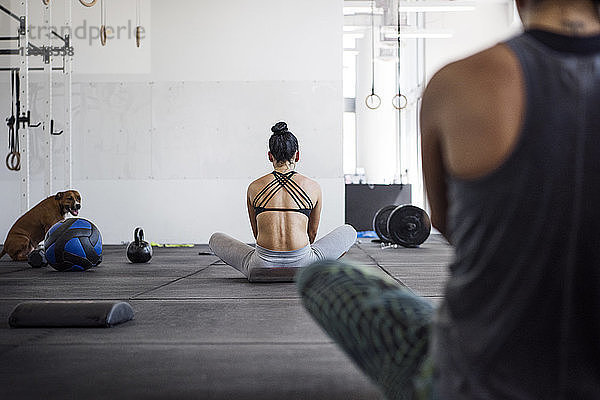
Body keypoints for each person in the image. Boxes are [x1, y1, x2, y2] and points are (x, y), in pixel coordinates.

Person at [297, 0, 600, 398]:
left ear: (521, 1)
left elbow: (446, 223)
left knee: (321, 275)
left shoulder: (457, 80)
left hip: (471, 381)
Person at [209, 122, 357, 282]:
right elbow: (312, 234)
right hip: (304, 264)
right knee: (349, 231)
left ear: (270, 156)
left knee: (215, 238)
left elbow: (257, 233)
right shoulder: (313, 187)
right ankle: (313, 269)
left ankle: (267, 271)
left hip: (260, 266)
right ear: (297, 155)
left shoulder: (254, 187)